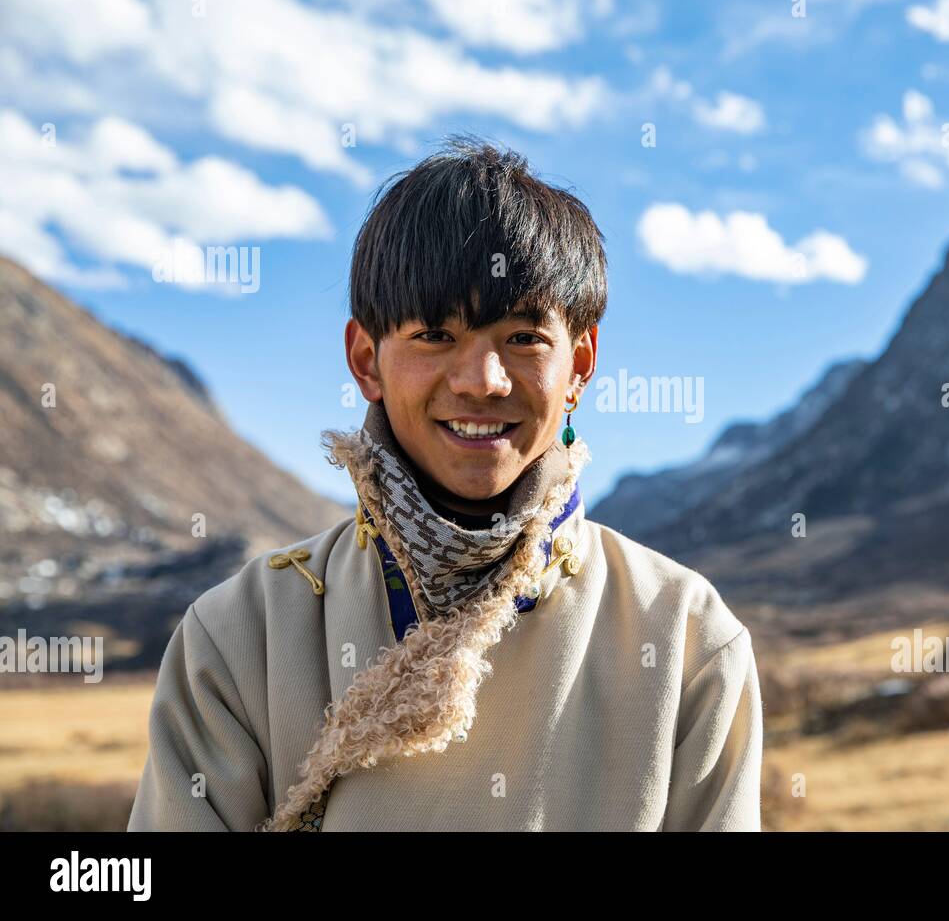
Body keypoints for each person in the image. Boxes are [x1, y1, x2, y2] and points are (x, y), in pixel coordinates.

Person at [127, 136, 763, 831]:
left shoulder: (684, 638)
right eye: (435, 334)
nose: (481, 381)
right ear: (366, 360)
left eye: (524, 338)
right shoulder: (240, 637)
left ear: (580, 364)